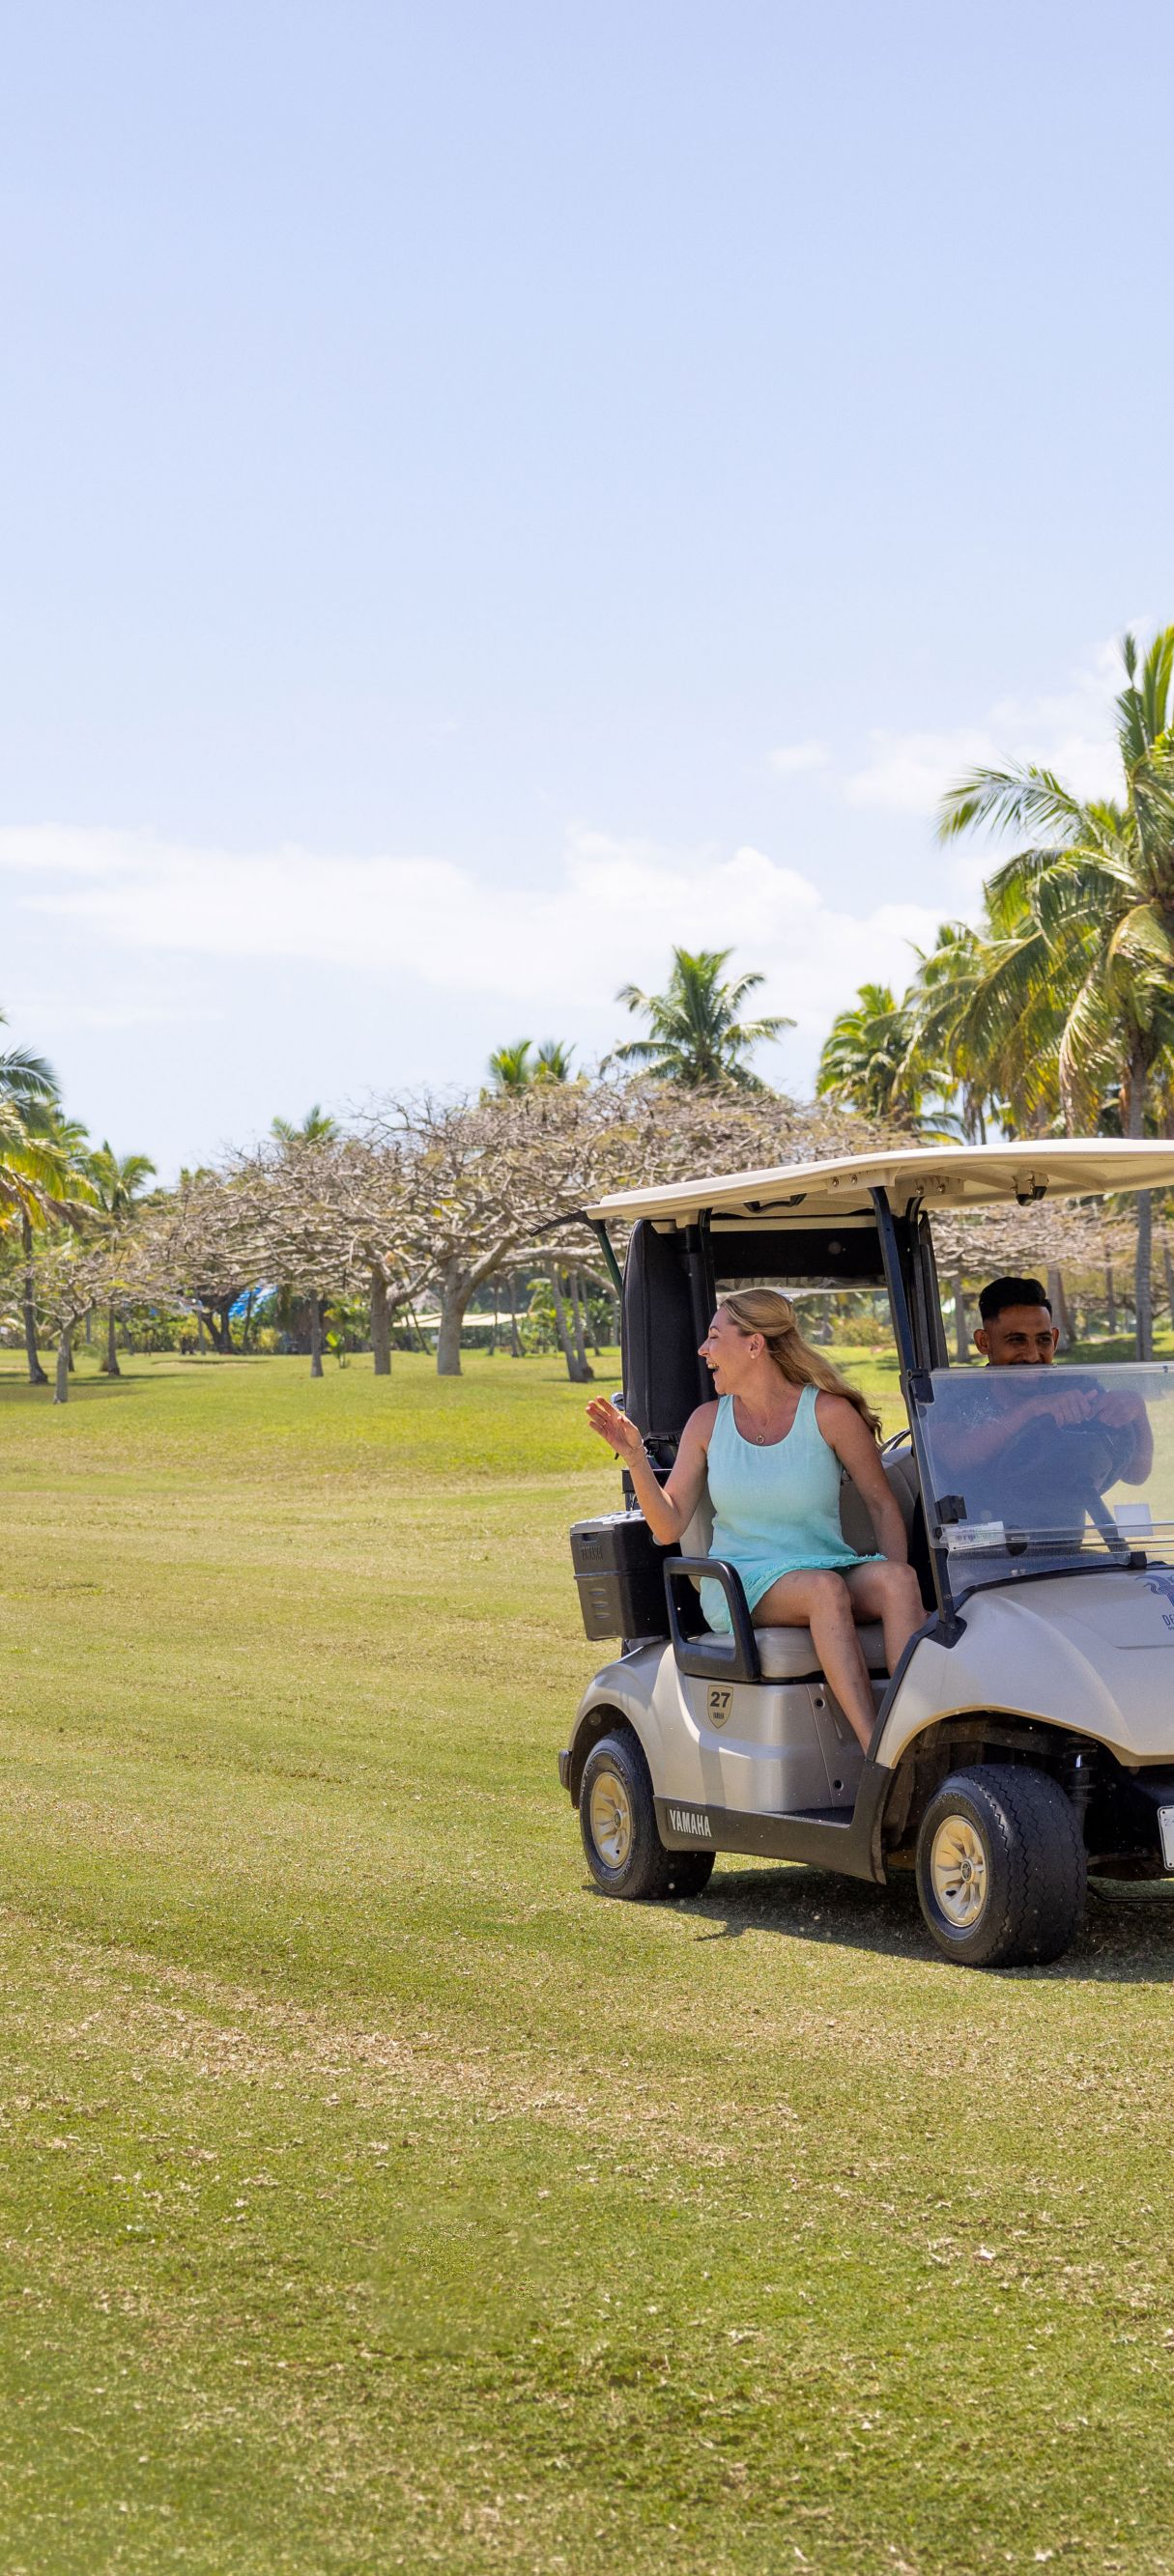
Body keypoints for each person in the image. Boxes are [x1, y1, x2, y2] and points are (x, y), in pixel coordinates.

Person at [586, 1287, 924, 1755]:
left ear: (754, 1344)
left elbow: (883, 1504)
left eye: (713, 1337)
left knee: (899, 1581)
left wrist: (889, 1571)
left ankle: (920, 1732)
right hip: (744, 1583)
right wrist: (635, 1457)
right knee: (825, 1591)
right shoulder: (706, 1423)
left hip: (825, 1567)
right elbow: (667, 1526)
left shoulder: (829, 1413)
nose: (704, 1351)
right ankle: (883, 1755)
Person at [939, 1274, 1153, 1529]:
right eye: (1015, 1340)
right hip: (980, 1551)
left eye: (1042, 1340)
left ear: (1054, 1337)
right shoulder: (957, 1394)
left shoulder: (1077, 1387)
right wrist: (1032, 1409)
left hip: (1061, 1547)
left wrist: (1137, 1410)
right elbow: (954, 1459)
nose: (1032, 1355)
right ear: (984, 1342)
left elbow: (1135, 1474)